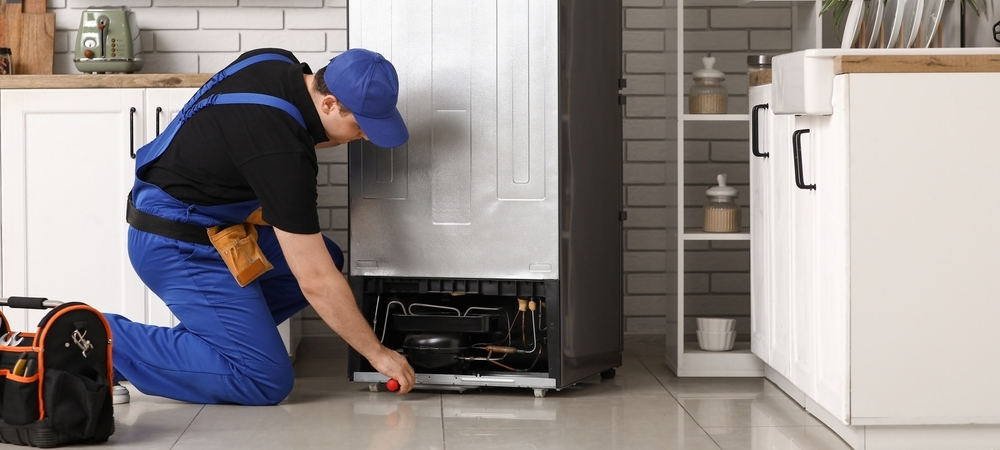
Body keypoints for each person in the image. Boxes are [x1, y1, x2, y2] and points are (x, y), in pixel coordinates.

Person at [107, 47, 416, 405]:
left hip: (202, 223)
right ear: (329, 103)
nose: (365, 136)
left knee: (327, 257)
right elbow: (315, 280)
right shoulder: (283, 152)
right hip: (175, 243)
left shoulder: (275, 61)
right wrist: (377, 354)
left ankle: (171, 352)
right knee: (264, 379)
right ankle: (95, 335)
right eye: (360, 126)